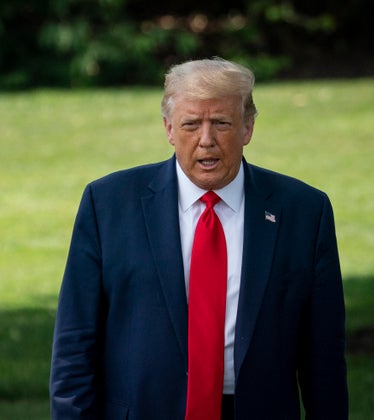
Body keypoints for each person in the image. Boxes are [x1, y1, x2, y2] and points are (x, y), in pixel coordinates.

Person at [50, 57, 348, 419]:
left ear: (248, 127)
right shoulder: (109, 204)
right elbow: (74, 346)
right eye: (191, 124)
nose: (206, 140)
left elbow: (324, 358)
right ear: (169, 129)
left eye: (221, 123)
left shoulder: (303, 211)